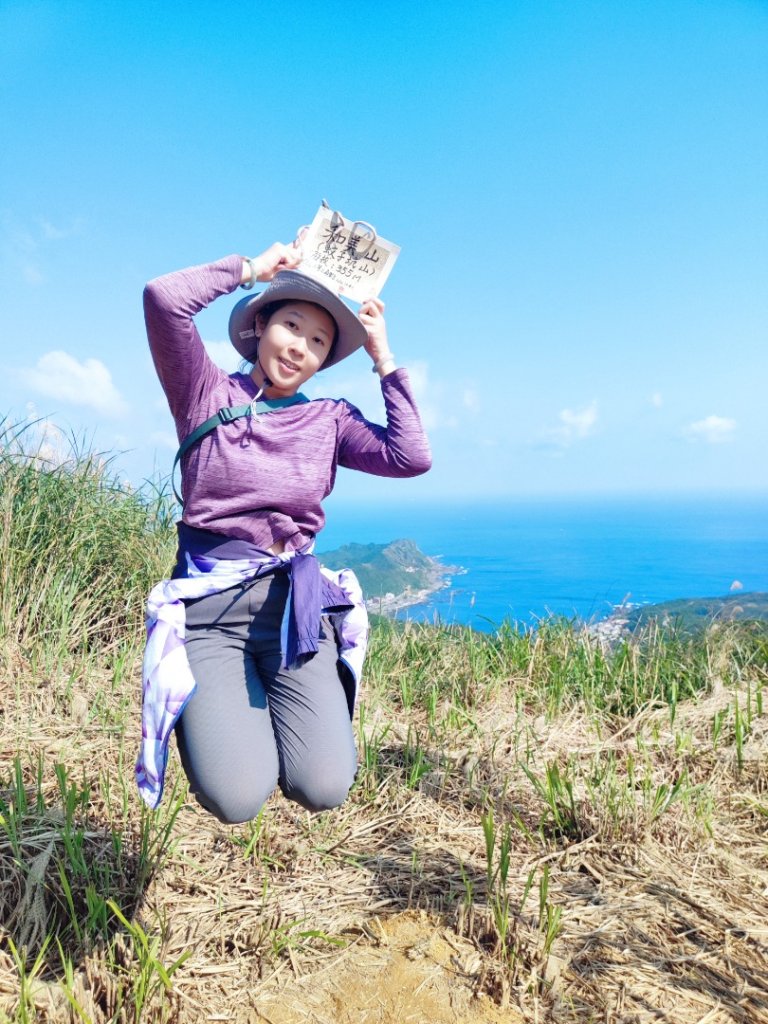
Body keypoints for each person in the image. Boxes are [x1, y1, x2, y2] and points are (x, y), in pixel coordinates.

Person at [135, 241, 431, 824]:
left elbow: (410, 455)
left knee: (324, 787)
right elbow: (162, 300)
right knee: (239, 797)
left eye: (318, 341)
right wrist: (252, 269)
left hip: (295, 613)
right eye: (291, 325)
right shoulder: (204, 393)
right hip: (211, 614)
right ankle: (232, 730)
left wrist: (383, 355)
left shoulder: (330, 419)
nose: (300, 347)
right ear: (260, 325)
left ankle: (271, 724)